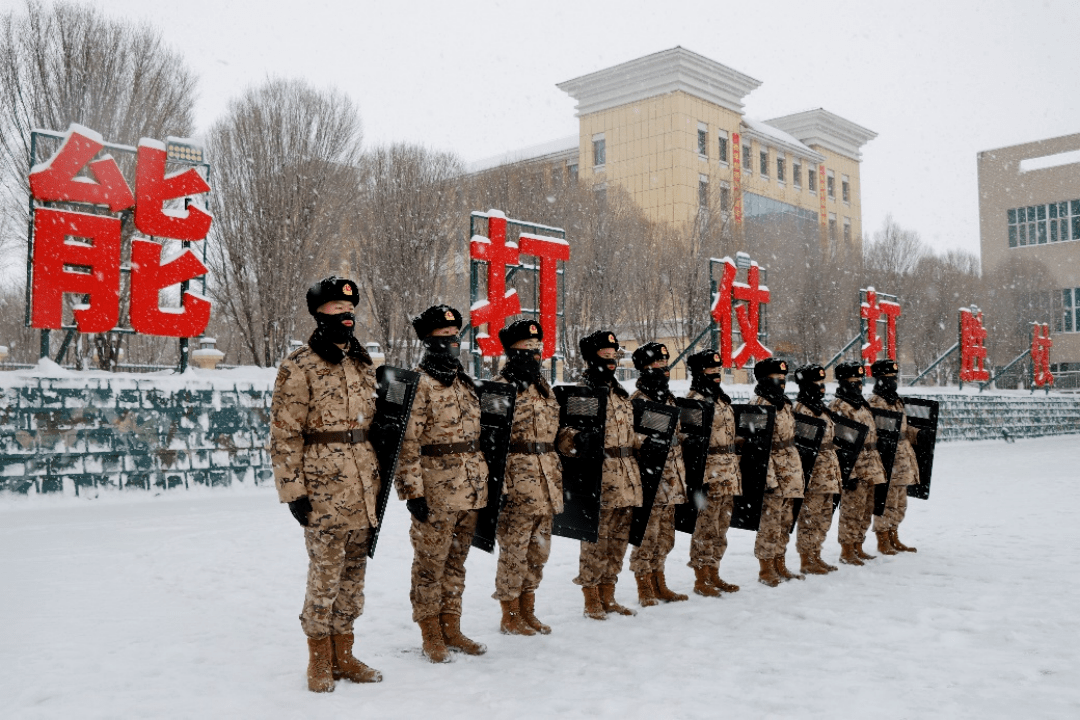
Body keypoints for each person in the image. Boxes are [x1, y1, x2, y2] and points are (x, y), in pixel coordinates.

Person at [270, 276, 383, 693]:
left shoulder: (361, 362)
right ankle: (318, 659)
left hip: (364, 486)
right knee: (325, 576)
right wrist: (293, 491)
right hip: (324, 490)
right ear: (319, 314)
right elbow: (284, 434)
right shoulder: (299, 365)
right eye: (337, 309)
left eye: (350, 309)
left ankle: (345, 654)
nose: (346, 315)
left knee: (353, 577)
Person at [395, 305, 488, 663]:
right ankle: (430, 632)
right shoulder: (417, 384)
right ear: (428, 341)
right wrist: (412, 492)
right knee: (430, 564)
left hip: (470, 488)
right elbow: (408, 442)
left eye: (454, 337)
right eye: (443, 338)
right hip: (435, 491)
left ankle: (452, 625)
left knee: (456, 562)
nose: (451, 343)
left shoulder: (464, 382)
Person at [557, 330, 642, 620]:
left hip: (627, 478)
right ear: (592, 358)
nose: (611, 361)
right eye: (605, 356)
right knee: (596, 540)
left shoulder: (620, 393)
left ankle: (609, 594)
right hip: (600, 477)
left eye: (613, 356)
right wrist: (580, 439)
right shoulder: (584, 394)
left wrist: (645, 442)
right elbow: (565, 435)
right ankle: (591, 596)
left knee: (618, 541)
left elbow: (626, 434)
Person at [492, 320, 563, 635]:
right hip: (517, 483)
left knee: (539, 550)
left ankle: (527, 608)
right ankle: (509, 614)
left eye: (537, 349)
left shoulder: (544, 389)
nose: (534, 355)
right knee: (514, 551)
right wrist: (501, 486)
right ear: (512, 352)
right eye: (526, 349)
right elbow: (490, 441)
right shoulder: (498, 388)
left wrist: (575, 441)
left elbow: (555, 434)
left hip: (547, 481)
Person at [628, 342, 689, 606]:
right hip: (651, 478)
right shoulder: (638, 400)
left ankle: (659, 581)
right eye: (657, 363)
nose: (664, 367)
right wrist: (644, 441)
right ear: (644, 367)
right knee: (647, 534)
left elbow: (675, 434)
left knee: (665, 536)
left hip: (673, 478)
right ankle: (644, 585)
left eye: (666, 362)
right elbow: (627, 436)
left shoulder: (670, 399)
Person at [684, 350, 742, 596]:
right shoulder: (695, 400)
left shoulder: (722, 400)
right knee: (706, 527)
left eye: (718, 369)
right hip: (709, 472)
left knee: (722, 527)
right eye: (710, 369)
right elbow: (688, 438)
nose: (716, 373)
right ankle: (701, 578)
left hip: (728, 471)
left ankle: (714, 572)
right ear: (699, 372)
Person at [751, 358, 804, 587]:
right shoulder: (759, 404)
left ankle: (780, 562)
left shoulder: (785, 403)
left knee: (786, 520)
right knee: (770, 522)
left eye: (784, 379)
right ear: (764, 380)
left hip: (790, 468)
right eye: (776, 379)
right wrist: (768, 477)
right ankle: (766, 568)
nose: (781, 383)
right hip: (772, 468)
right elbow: (756, 445)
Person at [830, 361, 888, 566]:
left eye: (859, 381)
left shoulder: (861, 403)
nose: (857, 385)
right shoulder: (838, 406)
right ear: (843, 382)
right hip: (854, 464)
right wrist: (849, 473)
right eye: (852, 381)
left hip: (872, 464)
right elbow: (839, 444)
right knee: (852, 509)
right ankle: (846, 550)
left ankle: (858, 545)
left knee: (866, 508)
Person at [792, 364, 843, 575]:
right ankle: (806, 559)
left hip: (829, 471)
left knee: (824, 516)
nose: (820, 387)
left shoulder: (823, 409)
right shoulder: (800, 410)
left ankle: (816, 554)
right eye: (815, 383)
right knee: (810, 517)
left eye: (822, 383)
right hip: (813, 472)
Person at [868, 358, 919, 554]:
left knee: (899, 504)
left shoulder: (896, 401)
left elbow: (902, 429)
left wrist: (919, 434)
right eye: (887, 378)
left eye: (893, 378)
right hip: (887, 460)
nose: (892, 381)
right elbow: (875, 434)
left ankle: (894, 536)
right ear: (879, 379)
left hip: (903, 460)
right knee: (886, 503)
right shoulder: (874, 403)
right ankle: (883, 540)